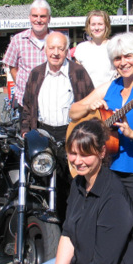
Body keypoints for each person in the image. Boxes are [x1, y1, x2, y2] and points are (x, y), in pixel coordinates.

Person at [69, 32, 133, 264]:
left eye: (128, 56)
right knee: (104, 227)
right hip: (106, 170)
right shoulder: (110, 87)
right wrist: (88, 106)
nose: (123, 62)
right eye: (117, 58)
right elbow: (73, 112)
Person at [42, 118, 133, 264]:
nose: (78, 161)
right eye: (73, 153)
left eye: (85, 155)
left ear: (102, 152)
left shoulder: (114, 198)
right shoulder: (78, 183)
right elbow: (68, 233)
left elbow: (104, 261)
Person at [21, 31, 94, 219]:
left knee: (74, 180)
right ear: (45, 50)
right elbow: (27, 106)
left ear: (67, 51)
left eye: (60, 49)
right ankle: (51, 223)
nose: (55, 53)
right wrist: (25, 131)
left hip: (70, 133)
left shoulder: (78, 72)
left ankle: (75, 221)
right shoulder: (36, 73)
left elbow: (89, 103)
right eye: (51, 48)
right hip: (42, 133)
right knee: (46, 179)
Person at [3, 0, 52, 111]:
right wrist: (22, 84)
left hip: (52, 102)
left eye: (42, 16)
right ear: (30, 17)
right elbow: (12, 66)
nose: (38, 20)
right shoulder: (18, 40)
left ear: (49, 19)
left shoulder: (58, 40)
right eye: (35, 16)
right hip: (26, 102)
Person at [74, 10, 116, 88]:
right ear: (88, 26)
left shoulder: (115, 46)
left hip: (109, 94)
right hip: (87, 95)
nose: (96, 28)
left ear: (106, 26)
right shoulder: (81, 48)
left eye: (100, 24)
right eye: (93, 24)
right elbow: (77, 76)